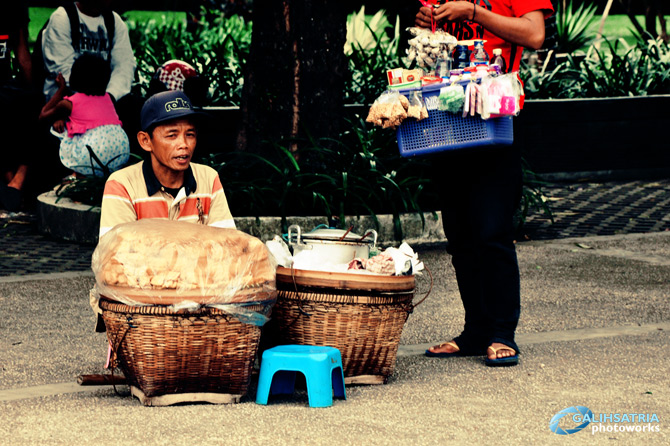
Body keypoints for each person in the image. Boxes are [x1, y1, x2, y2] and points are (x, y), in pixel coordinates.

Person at [416, 0, 554, 366]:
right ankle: (475, 331)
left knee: (492, 231)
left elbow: (534, 34)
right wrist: (429, 24)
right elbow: (436, 49)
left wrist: (473, 13)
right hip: (448, 117)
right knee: (460, 235)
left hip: (495, 117)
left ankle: (502, 332)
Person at [98, 90, 236, 237]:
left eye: (190, 134)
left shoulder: (208, 178)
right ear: (146, 141)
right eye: (172, 135)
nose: (184, 144)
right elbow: (115, 253)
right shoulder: (123, 184)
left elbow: (227, 245)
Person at [39, 54, 129, 177]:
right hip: (120, 152)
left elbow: (43, 115)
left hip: (91, 154)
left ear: (75, 77)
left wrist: (61, 89)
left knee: (54, 132)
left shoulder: (68, 104)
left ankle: (76, 174)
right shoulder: (108, 98)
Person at [40, 0, 136, 103]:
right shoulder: (63, 17)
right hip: (65, 103)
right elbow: (61, 70)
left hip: (104, 102)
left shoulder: (114, 22)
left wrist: (110, 96)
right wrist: (91, 101)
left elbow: (124, 67)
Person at [0, 2, 41, 212]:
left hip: (6, 84)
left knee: (32, 103)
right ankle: (11, 182)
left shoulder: (14, 7)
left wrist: (32, 91)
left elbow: (22, 52)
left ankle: (18, 180)